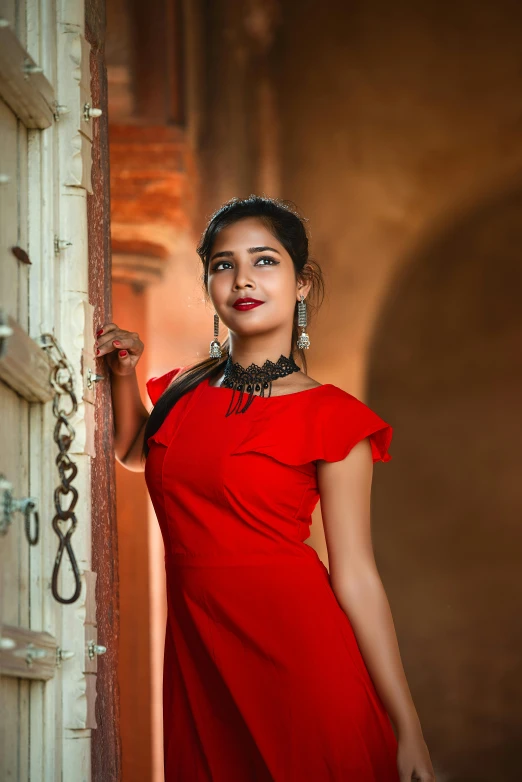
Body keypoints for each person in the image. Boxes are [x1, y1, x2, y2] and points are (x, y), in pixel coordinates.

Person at [100, 195, 436, 781]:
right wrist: (124, 374)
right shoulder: (182, 390)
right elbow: (136, 451)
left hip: (298, 659)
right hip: (199, 653)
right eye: (223, 264)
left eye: (264, 261)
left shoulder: (333, 417)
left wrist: (408, 728)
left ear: (301, 282)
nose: (243, 279)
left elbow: (355, 575)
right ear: (208, 282)